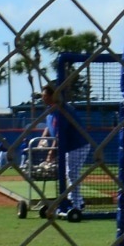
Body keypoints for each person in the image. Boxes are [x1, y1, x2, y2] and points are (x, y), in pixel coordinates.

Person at [41, 79, 92, 220]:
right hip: (68, 147)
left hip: (78, 145)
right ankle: (75, 201)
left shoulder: (63, 110)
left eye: (45, 95)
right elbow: (48, 127)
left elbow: (59, 134)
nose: (43, 98)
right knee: (68, 173)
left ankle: (76, 204)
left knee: (72, 173)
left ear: (53, 95)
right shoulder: (51, 110)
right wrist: (43, 139)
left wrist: (50, 153)